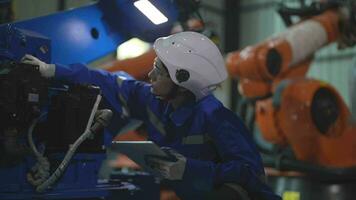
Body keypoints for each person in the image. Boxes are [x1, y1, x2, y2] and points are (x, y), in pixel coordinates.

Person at [22, 31, 281, 200]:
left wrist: (190, 169)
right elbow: (109, 81)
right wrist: (54, 70)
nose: (150, 75)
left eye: (158, 70)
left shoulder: (216, 118)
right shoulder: (155, 102)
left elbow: (251, 173)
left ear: (182, 80)